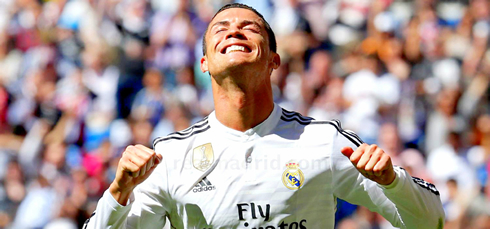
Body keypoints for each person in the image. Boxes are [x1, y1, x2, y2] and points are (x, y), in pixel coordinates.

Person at [84, 3, 444, 229]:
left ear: (274, 61)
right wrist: (118, 192)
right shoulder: (169, 156)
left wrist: (392, 181)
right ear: (204, 64)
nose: (235, 30)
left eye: (250, 27)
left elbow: (431, 223)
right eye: (220, 29)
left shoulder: (322, 141)